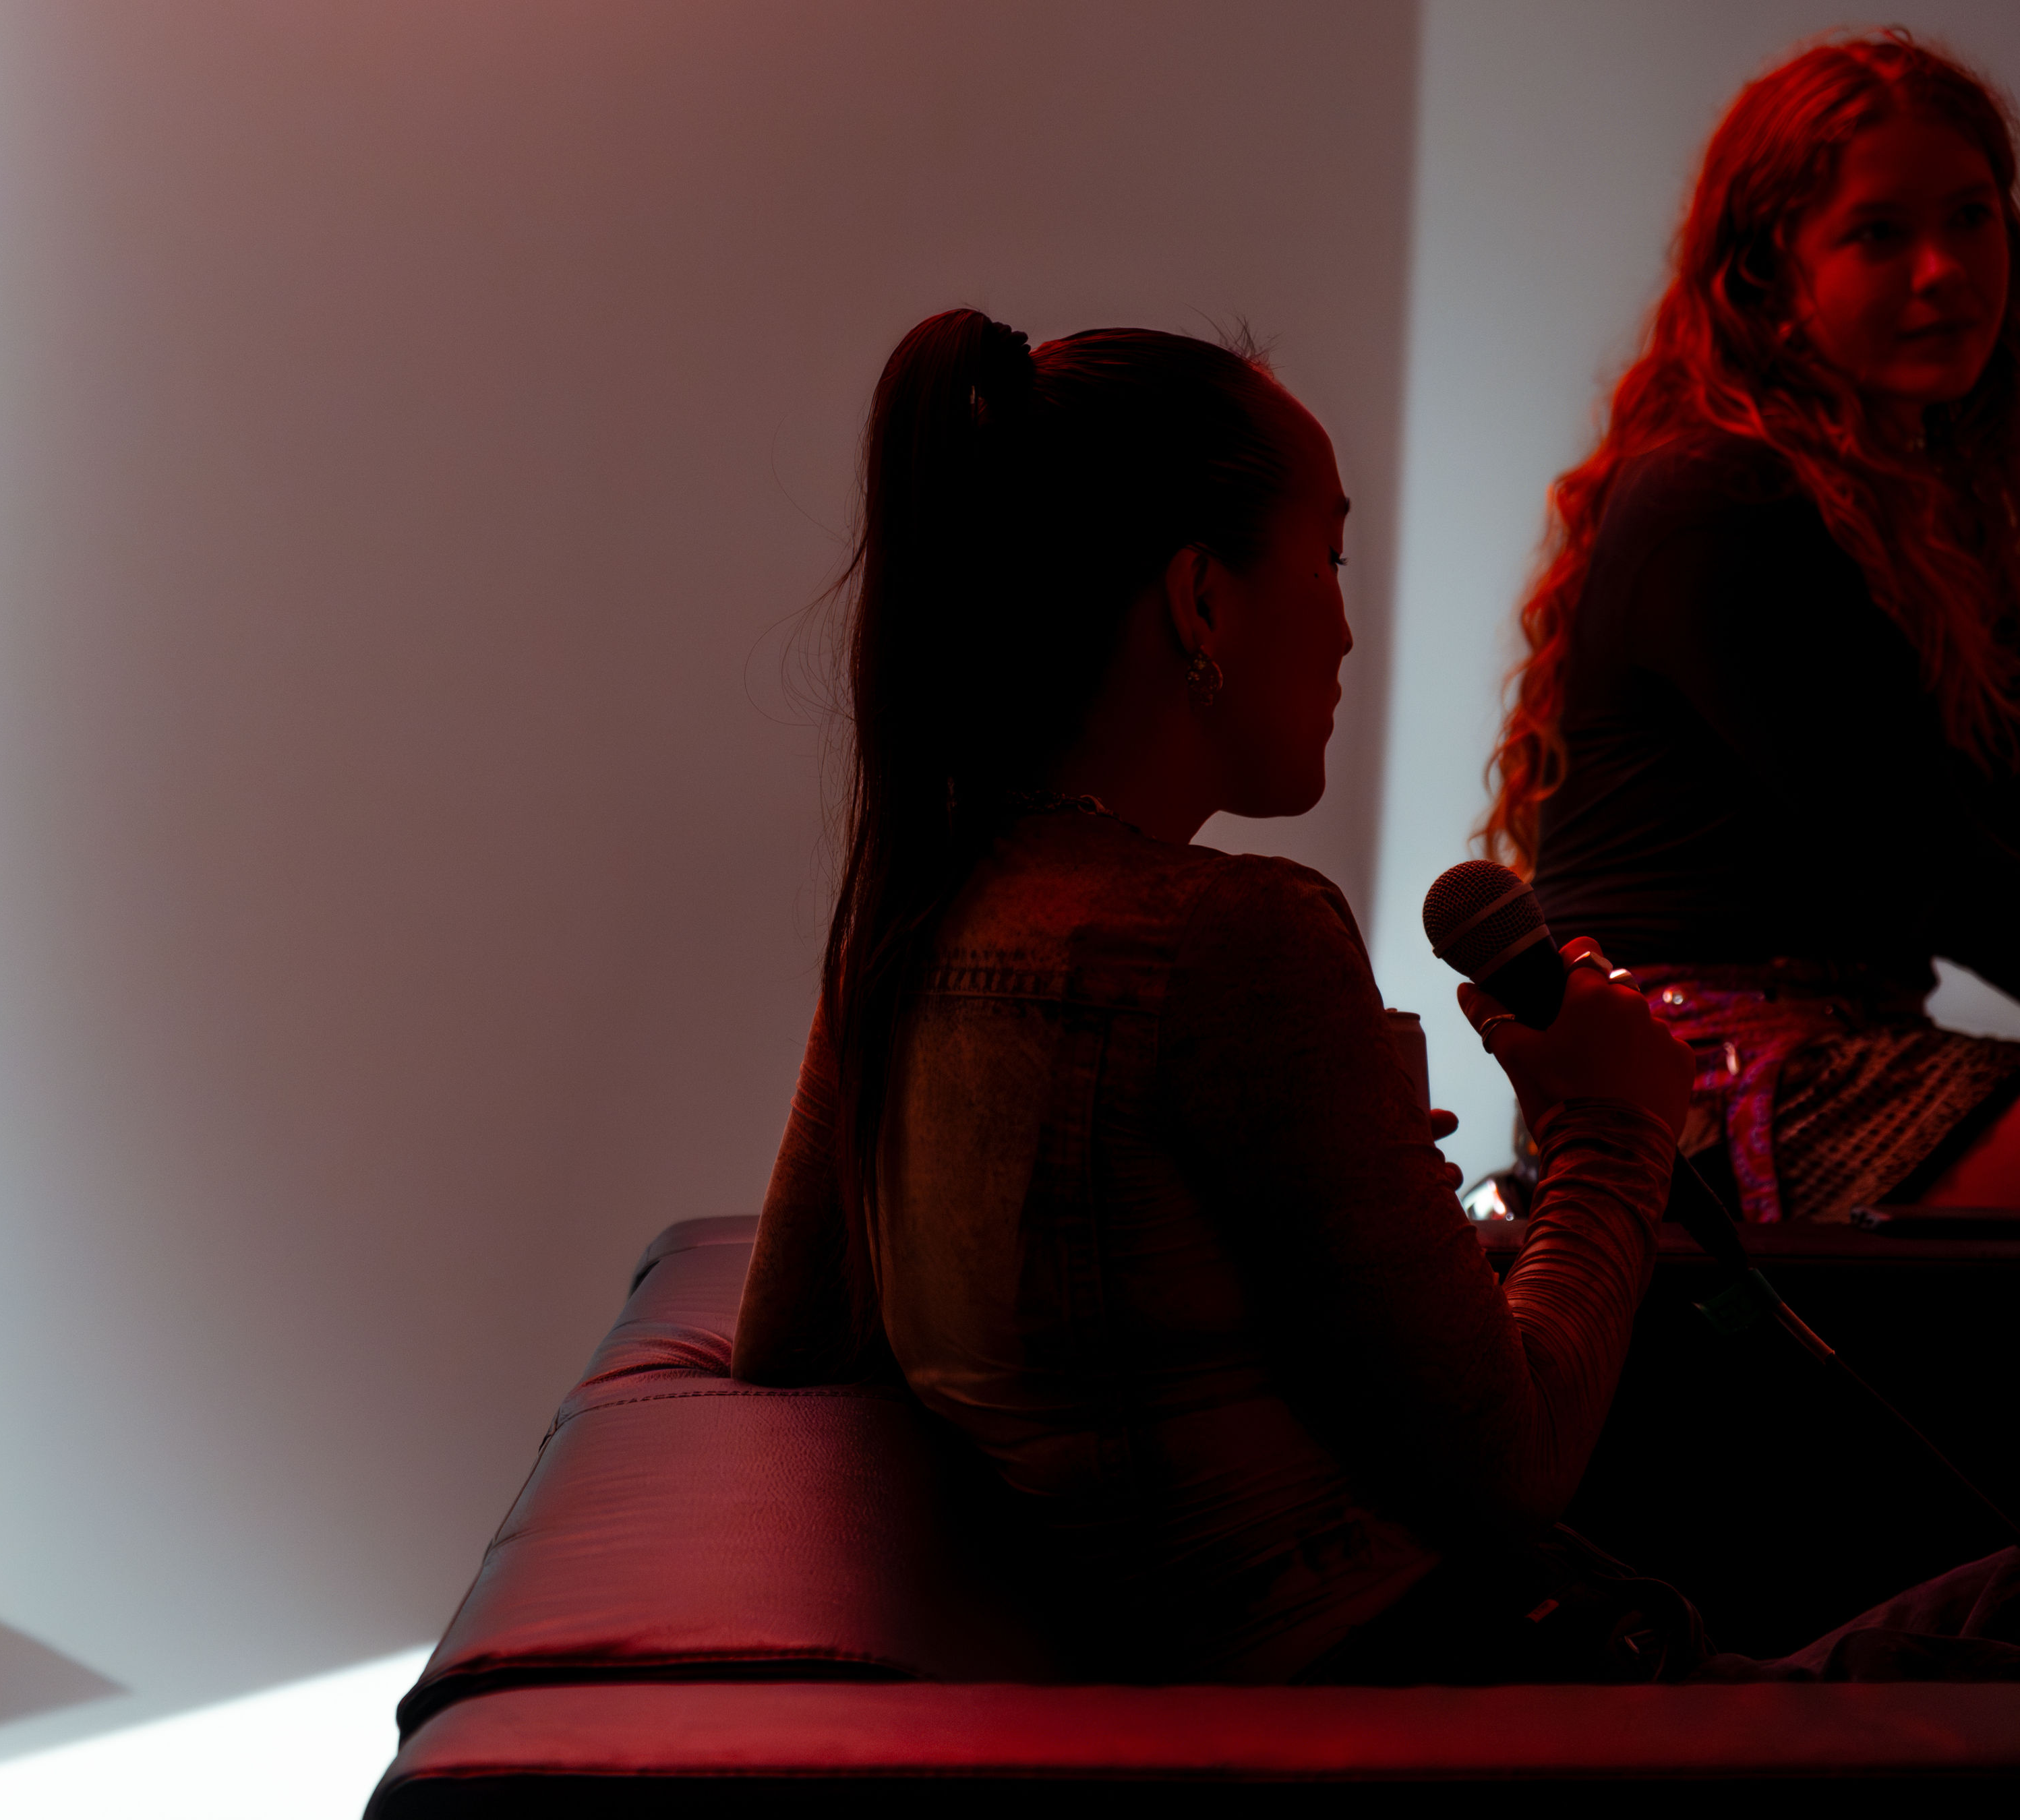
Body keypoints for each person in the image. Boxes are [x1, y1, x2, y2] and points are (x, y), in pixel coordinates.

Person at [730, 307, 1703, 1682]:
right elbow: (1516, 1466)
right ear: (1199, 601)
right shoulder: (1238, 937)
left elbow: (787, 1342)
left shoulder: (914, 915)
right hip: (1440, 1707)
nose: (1349, 631)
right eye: (1330, 559)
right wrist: (1615, 1130)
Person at [1485, 31, 2020, 1223]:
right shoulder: (1722, 494)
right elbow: (1931, 861)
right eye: (1878, 233)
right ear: (1768, 277)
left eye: (1972, 217)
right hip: (1702, 1085)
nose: (1943, 269)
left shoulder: (1943, 511)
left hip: (1854, 1046)